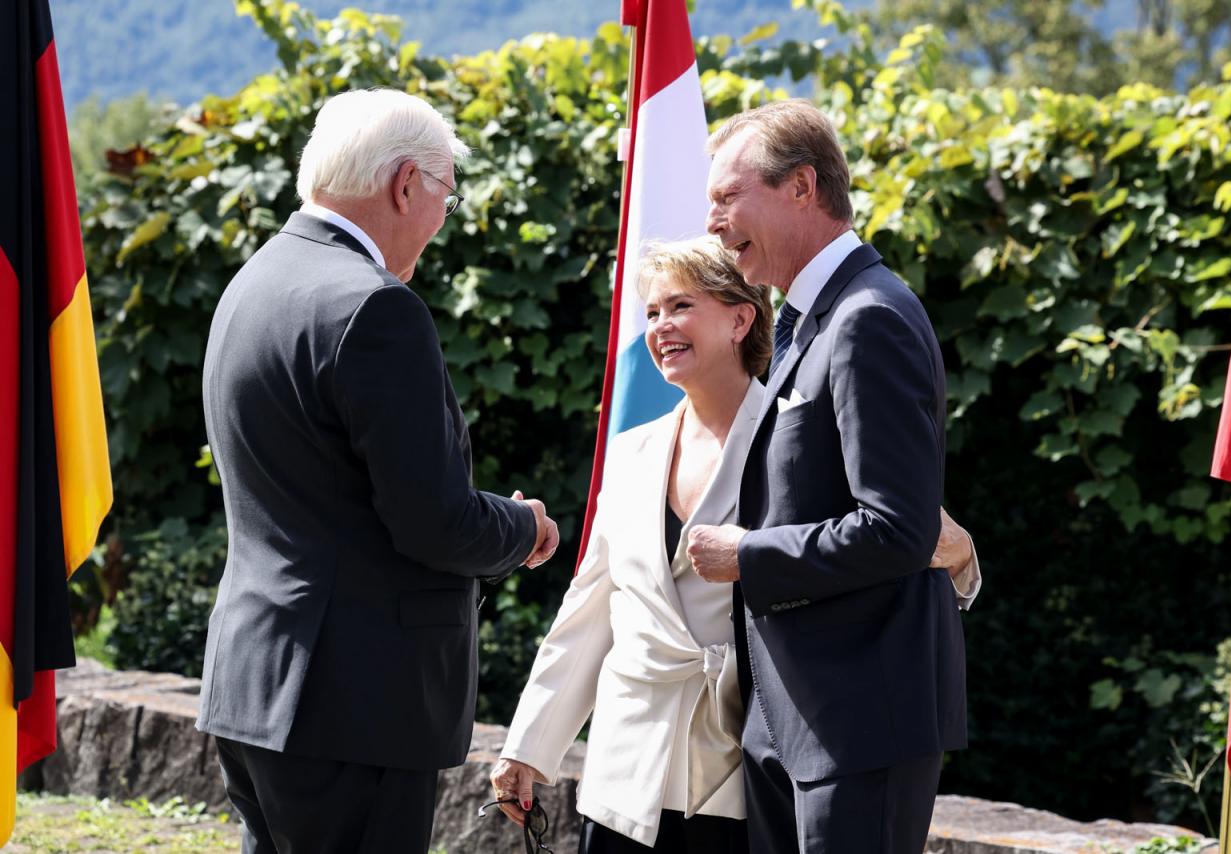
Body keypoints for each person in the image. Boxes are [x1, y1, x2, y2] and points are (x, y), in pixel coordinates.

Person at [489, 238, 980, 852]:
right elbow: (589, 610)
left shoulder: (800, 439)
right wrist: (528, 748)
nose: (661, 326)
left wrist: (961, 562)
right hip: (623, 774)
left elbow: (898, 536)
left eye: (681, 306)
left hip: (741, 766)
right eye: (652, 312)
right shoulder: (631, 451)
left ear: (740, 318)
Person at [197, 88, 559, 853]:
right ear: (404, 185)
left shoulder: (251, 285)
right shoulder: (375, 308)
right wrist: (523, 526)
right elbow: (434, 520)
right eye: (445, 199)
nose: (439, 222)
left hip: (253, 682)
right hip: (353, 705)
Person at [686, 99, 967, 854]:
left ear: (802, 188)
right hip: (795, 720)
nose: (712, 222)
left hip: (857, 722)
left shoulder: (867, 316)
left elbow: (899, 530)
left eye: (725, 197)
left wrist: (749, 556)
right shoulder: (812, 316)